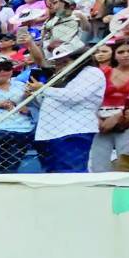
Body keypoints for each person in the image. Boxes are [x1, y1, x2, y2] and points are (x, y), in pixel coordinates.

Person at [31, 42, 106, 172]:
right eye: (58, 63)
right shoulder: (58, 77)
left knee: (71, 172)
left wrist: (43, 89)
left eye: (65, 62)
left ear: (79, 59)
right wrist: (35, 94)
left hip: (74, 131)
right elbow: (45, 102)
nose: (60, 66)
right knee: (50, 174)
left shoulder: (92, 72)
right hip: (48, 133)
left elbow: (75, 96)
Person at [91, 38, 129, 172]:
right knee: (97, 163)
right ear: (114, 54)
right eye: (121, 51)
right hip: (100, 122)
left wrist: (118, 117)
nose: (126, 55)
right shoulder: (103, 72)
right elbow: (91, 97)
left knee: (127, 162)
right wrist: (96, 118)